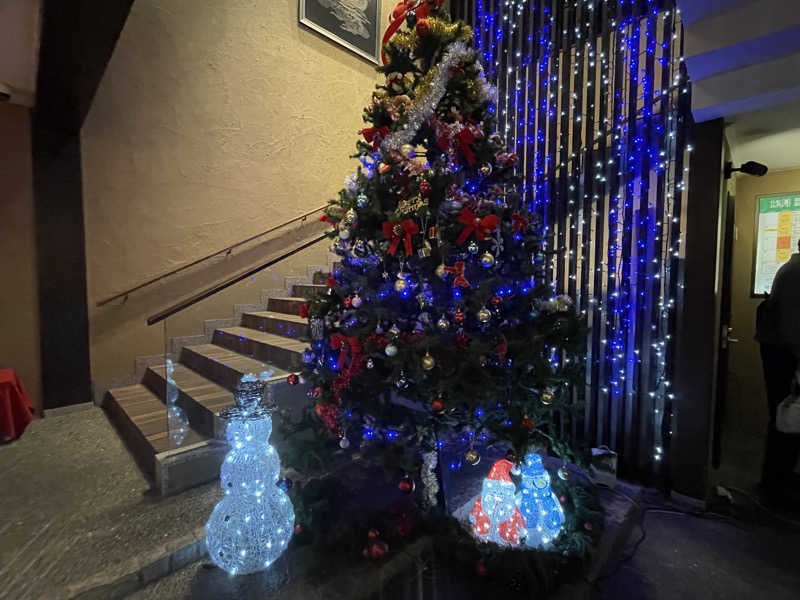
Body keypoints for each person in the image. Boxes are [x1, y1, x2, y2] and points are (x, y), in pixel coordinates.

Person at [756, 238, 800, 506]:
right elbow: (792, 327)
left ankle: (775, 482)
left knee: (782, 419)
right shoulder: (795, 274)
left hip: (780, 355)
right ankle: (775, 487)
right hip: (785, 357)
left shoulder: (789, 270)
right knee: (785, 420)